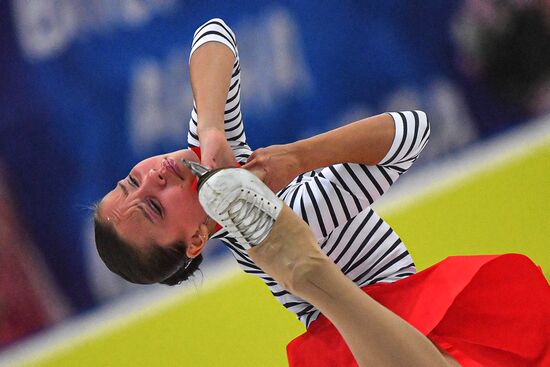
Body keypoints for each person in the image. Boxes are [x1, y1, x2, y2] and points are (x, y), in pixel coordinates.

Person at [94, 19, 550, 366]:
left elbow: (214, 35)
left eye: (131, 180)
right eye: (153, 207)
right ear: (195, 241)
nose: (152, 178)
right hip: (392, 324)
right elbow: (411, 131)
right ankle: (310, 272)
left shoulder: (215, 174)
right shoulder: (292, 211)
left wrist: (212, 127)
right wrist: (297, 158)